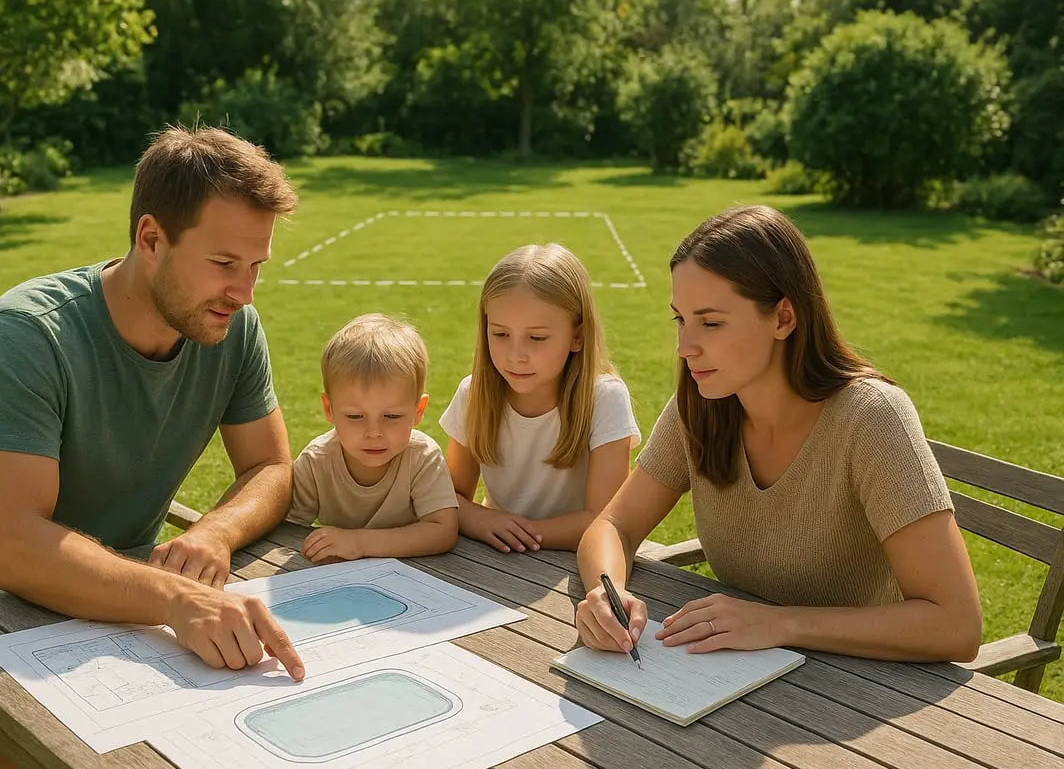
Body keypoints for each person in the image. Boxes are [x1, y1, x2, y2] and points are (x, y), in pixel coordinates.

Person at [0, 126, 305, 769]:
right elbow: (10, 548)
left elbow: (270, 466)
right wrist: (176, 600)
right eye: (225, 264)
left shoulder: (233, 328)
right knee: (53, 755)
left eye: (255, 267)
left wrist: (214, 531)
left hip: (118, 589)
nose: (245, 292)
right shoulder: (28, 336)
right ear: (151, 239)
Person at [575, 205, 982, 663]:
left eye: (710, 322)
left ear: (784, 317)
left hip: (858, 688)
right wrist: (604, 593)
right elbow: (613, 525)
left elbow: (956, 624)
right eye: (680, 319)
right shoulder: (701, 407)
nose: (685, 347)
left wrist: (780, 622)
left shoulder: (872, 419)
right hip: (732, 676)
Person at [440, 243, 640, 553]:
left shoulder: (604, 399)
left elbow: (605, 520)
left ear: (577, 337)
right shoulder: (473, 394)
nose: (515, 356)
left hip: (573, 564)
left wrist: (517, 532)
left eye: (536, 338)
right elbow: (447, 498)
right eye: (500, 334)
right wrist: (482, 520)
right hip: (496, 555)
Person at [289, 314, 459, 561]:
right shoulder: (317, 462)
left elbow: (443, 530)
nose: (373, 432)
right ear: (329, 409)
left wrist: (360, 543)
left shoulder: (422, 458)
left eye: (391, 416)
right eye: (356, 416)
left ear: (418, 411)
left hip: (417, 577)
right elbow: (287, 529)